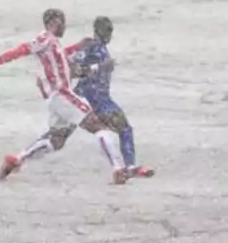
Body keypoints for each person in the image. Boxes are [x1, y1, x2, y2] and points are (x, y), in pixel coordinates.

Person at [0, 8, 129, 185]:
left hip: (56, 99)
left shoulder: (54, 45)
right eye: (63, 22)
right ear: (53, 22)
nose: (65, 26)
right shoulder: (44, 39)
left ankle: (17, 159)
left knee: (57, 140)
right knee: (99, 127)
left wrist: (87, 55)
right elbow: (20, 50)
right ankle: (117, 169)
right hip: (63, 95)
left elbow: (71, 66)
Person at [37, 16, 155, 179]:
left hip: (97, 99)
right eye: (107, 30)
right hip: (88, 98)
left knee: (124, 128)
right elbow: (73, 69)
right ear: (97, 30)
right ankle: (22, 157)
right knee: (59, 136)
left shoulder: (97, 48)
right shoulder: (90, 47)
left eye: (110, 31)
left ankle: (130, 167)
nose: (109, 34)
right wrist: (98, 67)